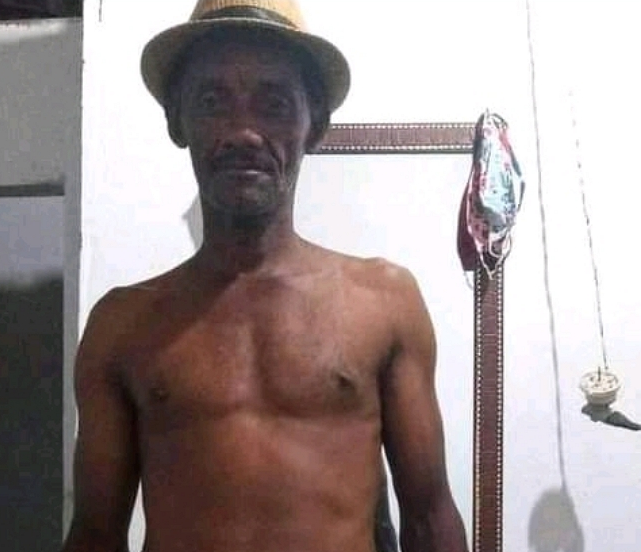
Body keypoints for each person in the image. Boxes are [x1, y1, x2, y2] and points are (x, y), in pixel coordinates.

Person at [62, 1, 468, 551]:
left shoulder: (384, 303)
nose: (244, 132)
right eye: (213, 102)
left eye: (274, 104)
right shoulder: (122, 327)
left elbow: (430, 519)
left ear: (314, 125)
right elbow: (95, 535)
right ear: (177, 121)